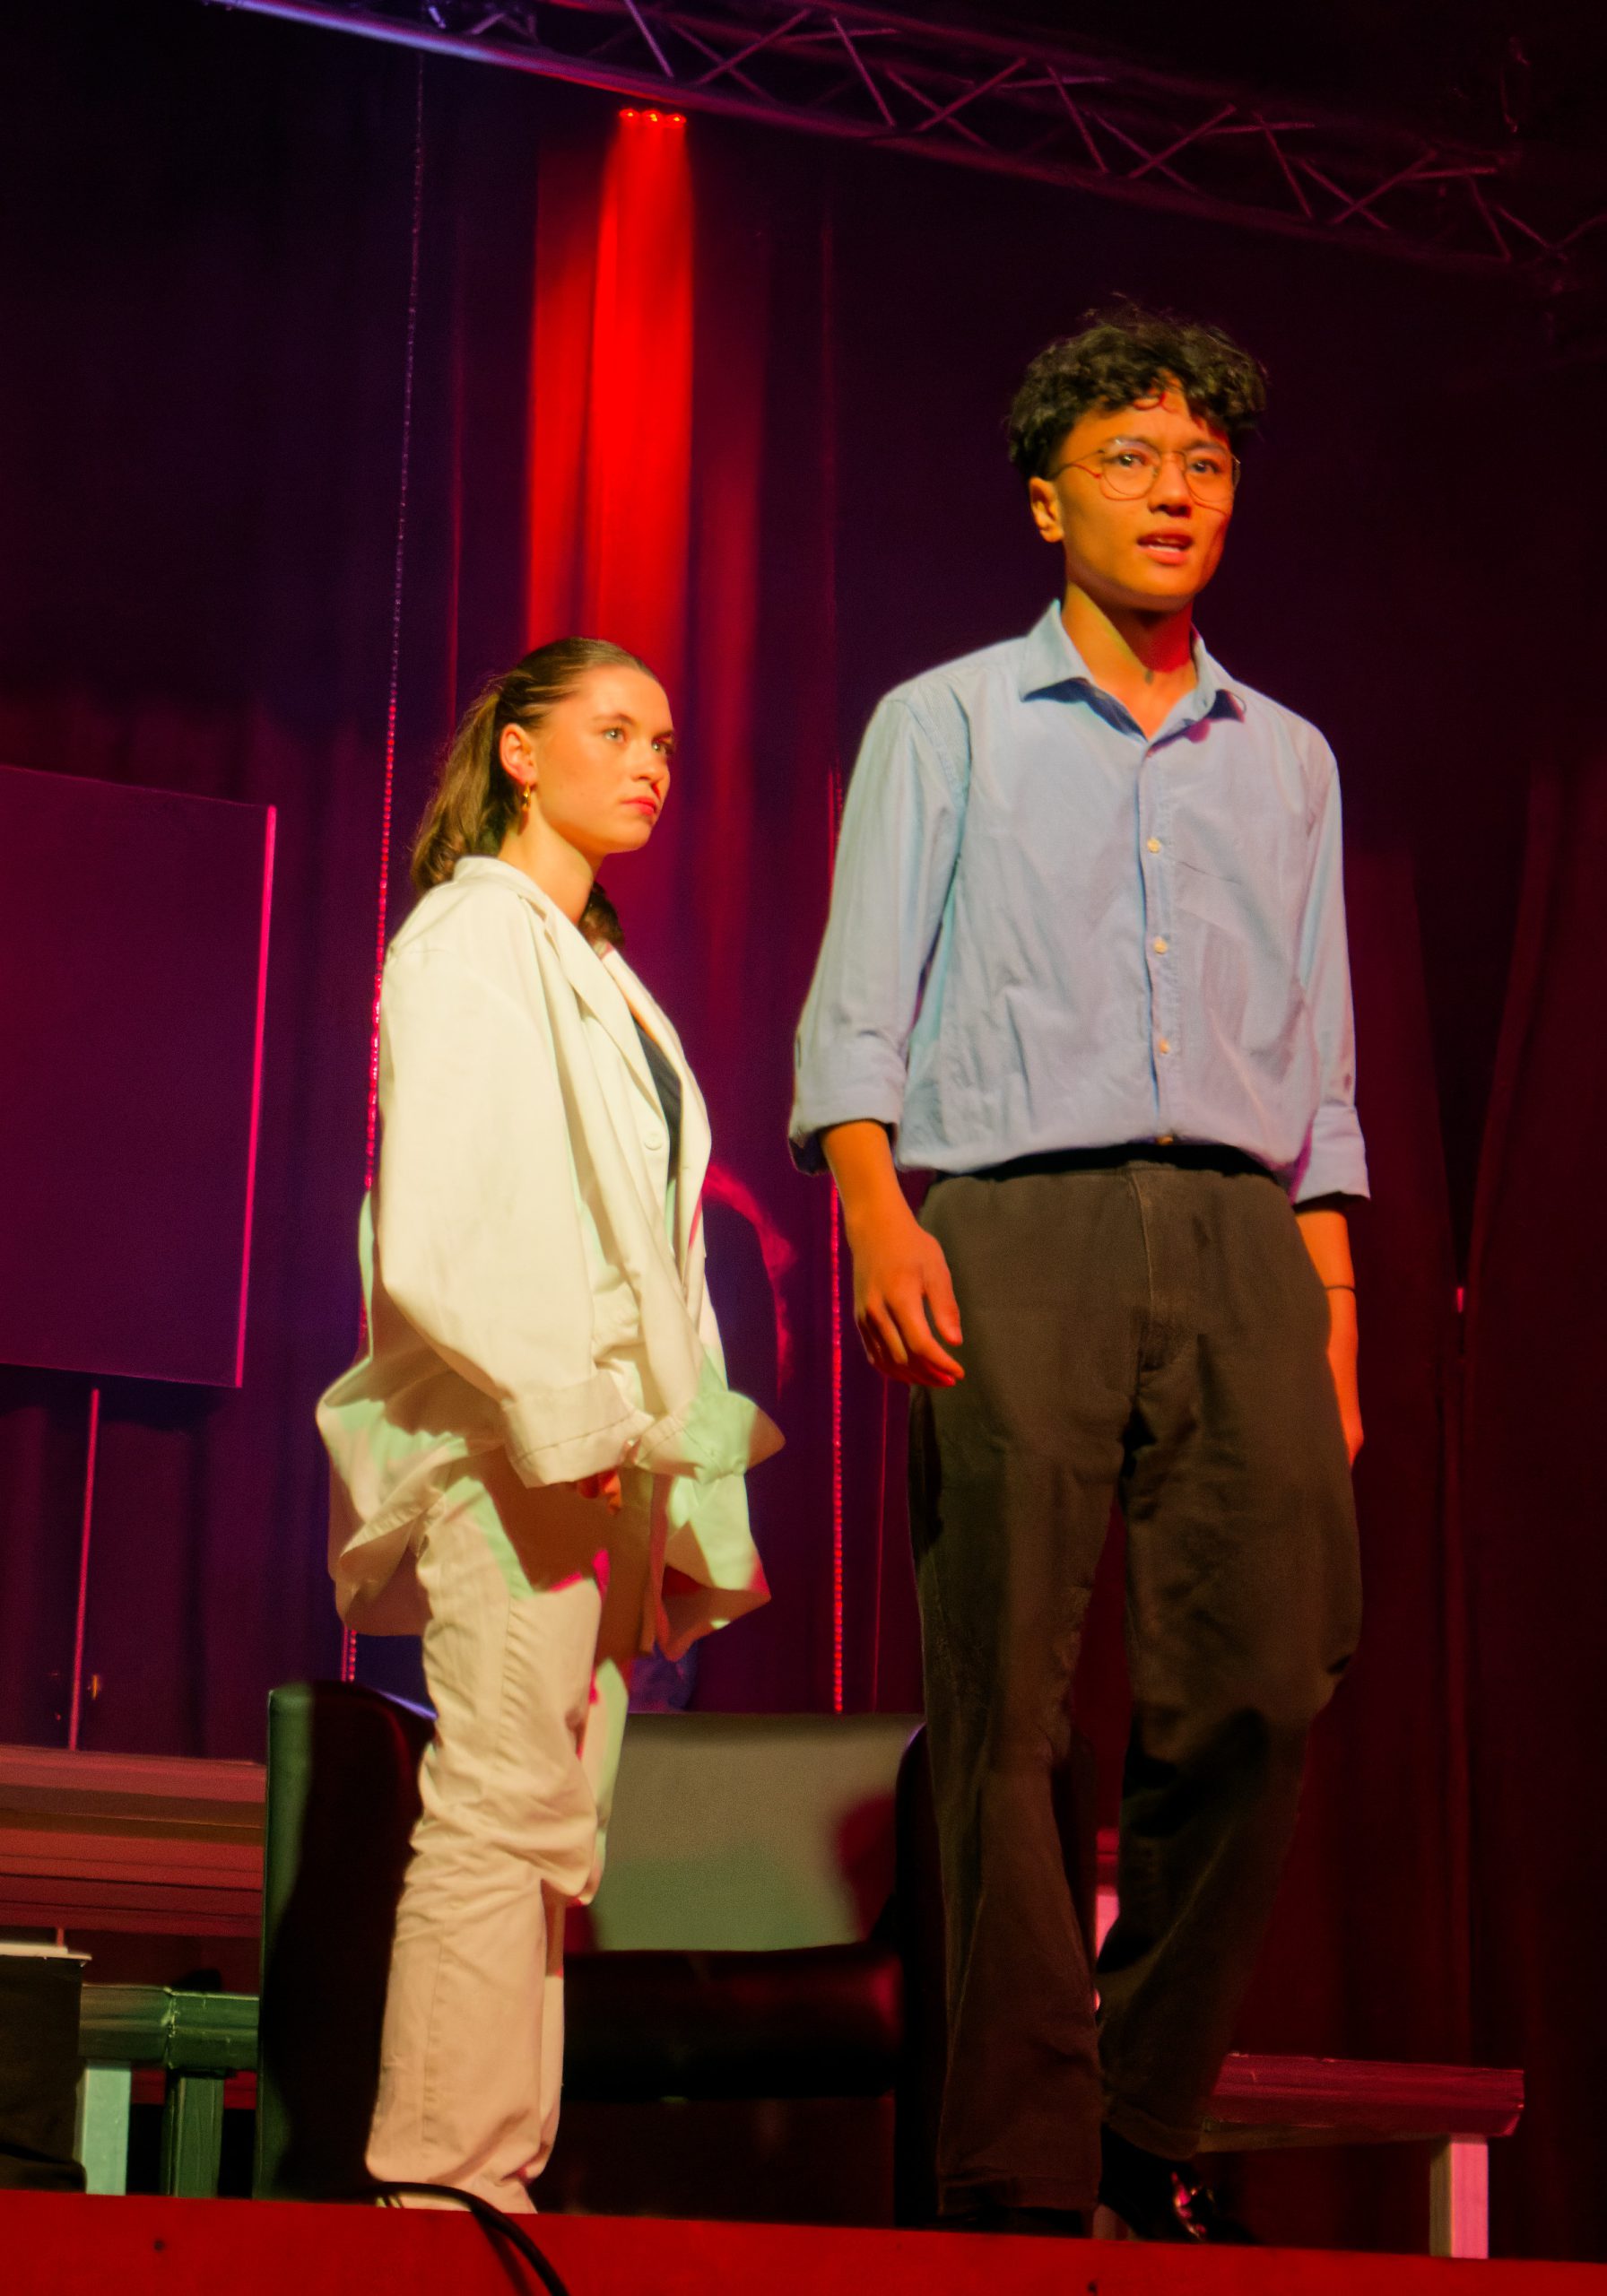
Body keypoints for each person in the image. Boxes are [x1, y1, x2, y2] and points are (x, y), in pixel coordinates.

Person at [790, 305, 1364, 2240]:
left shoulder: (1291, 758)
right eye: (1130, 458)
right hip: (1012, 1221)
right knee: (1009, 1703)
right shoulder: (946, 719)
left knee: (1269, 1677)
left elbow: (1322, 1056)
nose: (1173, 491)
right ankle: (1021, 2163)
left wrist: (1334, 1306)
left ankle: (1141, 2103)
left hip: (1244, 1236)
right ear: (1048, 501)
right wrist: (877, 1211)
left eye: (1203, 461)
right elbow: (860, 1003)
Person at [318, 636, 780, 2213]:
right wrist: (562, 1413)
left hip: (597, 1450)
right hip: (520, 1442)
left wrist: (671, 1465)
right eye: (615, 730)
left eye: (665, 741)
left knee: (551, 1818)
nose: (650, 762)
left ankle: (494, 2173)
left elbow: (653, 1259)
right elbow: (449, 1218)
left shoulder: (592, 969)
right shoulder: (469, 936)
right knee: (502, 1795)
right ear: (520, 751)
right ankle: (441, 2185)